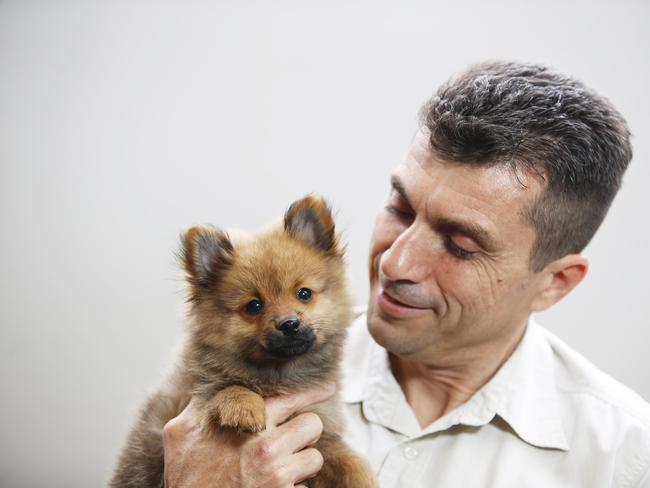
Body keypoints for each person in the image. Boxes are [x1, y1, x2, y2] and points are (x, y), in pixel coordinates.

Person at [161, 61, 650, 487]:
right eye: (400, 208)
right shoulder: (226, 388)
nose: (395, 262)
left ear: (554, 283)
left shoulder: (624, 456)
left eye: (460, 246)